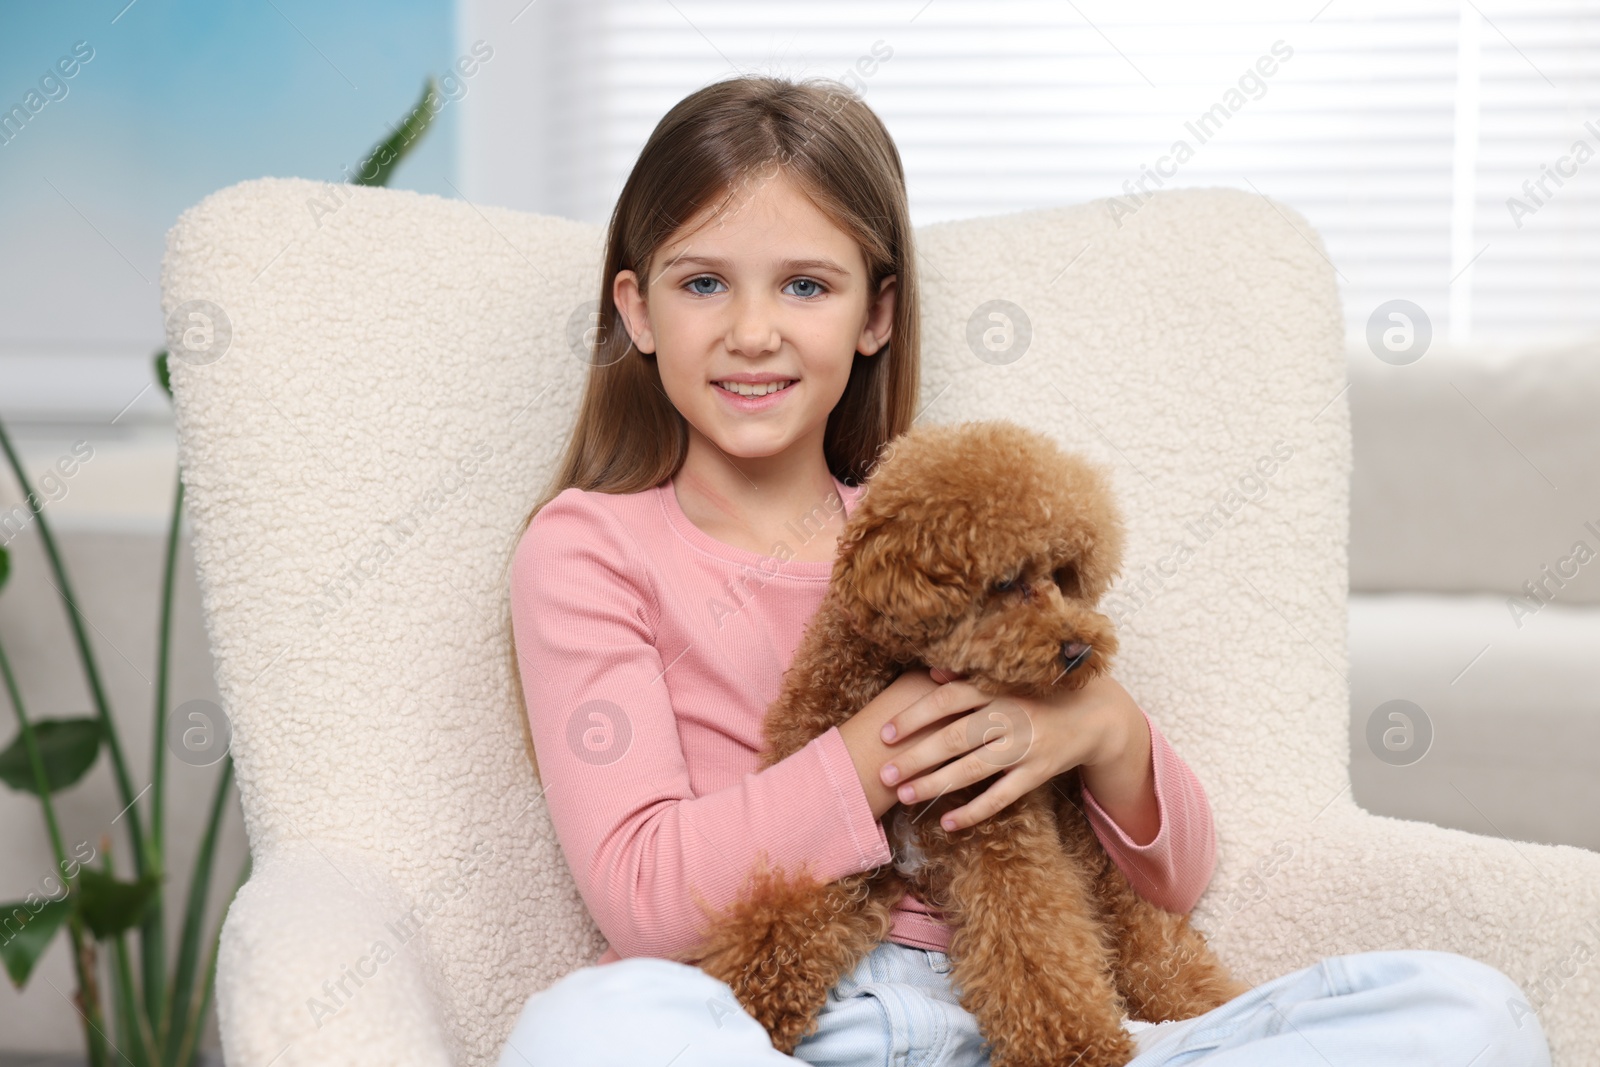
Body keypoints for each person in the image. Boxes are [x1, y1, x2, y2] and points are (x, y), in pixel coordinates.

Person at [498, 74, 1552, 1067]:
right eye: (703, 283)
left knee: (1473, 1010)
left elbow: (1172, 875)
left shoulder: (962, 533)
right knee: (584, 1025)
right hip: (767, 1021)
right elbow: (639, 892)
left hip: (1007, 1016)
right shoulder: (590, 547)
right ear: (636, 310)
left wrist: (1100, 725)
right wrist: (877, 751)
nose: (753, 329)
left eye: (806, 284)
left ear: (874, 316)